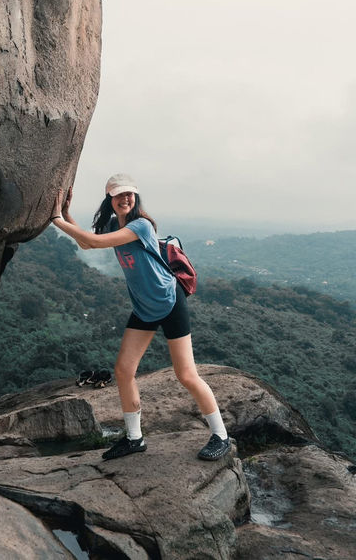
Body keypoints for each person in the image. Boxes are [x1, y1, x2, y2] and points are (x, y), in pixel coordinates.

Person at [50, 173, 231, 461]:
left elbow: (94, 244)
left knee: (186, 374)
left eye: (129, 194)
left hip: (169, 301)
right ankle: (134, 439)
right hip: (145, 307)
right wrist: (67, 215)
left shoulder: (141, 225)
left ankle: (221, 436)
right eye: (119, 195)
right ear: (110, 198)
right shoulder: (113, 224)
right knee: (123, 370)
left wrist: (56, 218)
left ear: (136, 198)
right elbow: (88, 243)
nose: (125, 199)